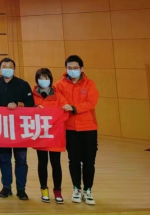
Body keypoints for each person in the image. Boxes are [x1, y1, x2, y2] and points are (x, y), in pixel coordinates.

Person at [55, 55, 99, 205]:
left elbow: (91, 102)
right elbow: (56, 101)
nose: (72, 70)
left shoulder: (90, 84)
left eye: (75, 68)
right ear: (66, 69)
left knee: (89, 161)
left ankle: (88, 190)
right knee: (73, 160)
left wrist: (74, 108)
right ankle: (76, 188)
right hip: (69, 128)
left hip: (88, 128)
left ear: (81, 69)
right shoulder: (59, 84)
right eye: (69, 68)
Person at [0, 57, 34, 201]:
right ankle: (6, 187)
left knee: (21, 159)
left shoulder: (23, 84)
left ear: (14, 69)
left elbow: (30, 103)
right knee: (4, 159)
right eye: (4, 66)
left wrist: (17, 104)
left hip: (19, 128)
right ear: (0, 68)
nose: (7, 69)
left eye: (9, 66)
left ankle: (21, 189)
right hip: (1, 128)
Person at [33, 68, 68, 204]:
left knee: (56, 163)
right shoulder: (33, 95)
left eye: (46, 78)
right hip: (41, 134)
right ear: (37, 80)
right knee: (42, 163)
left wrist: (55, 115)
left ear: (51, 79)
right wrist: (35, 110)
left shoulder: (58, 95)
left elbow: (65, 111)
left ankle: (57, 191)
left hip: (55, 134)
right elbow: (26, 111)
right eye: (41, 78)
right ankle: (44, 189)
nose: (44, 81)